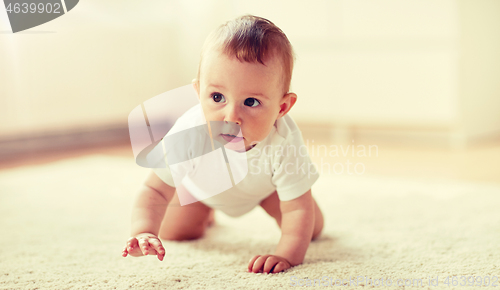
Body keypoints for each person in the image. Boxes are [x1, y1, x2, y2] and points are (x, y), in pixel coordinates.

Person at [122, 15, 324, 274]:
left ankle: (295, 201)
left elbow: (296, 208)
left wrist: (286, 256)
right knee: (176, 231)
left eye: (251, 102)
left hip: (266, 190)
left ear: (281, 108)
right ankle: (205, 215)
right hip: (200, 189)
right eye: (217, 97)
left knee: (311, 227)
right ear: (198, 94)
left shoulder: (284, 141)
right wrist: (144, 231)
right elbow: (154, 191)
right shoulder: (188, 133)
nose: (231, 117)